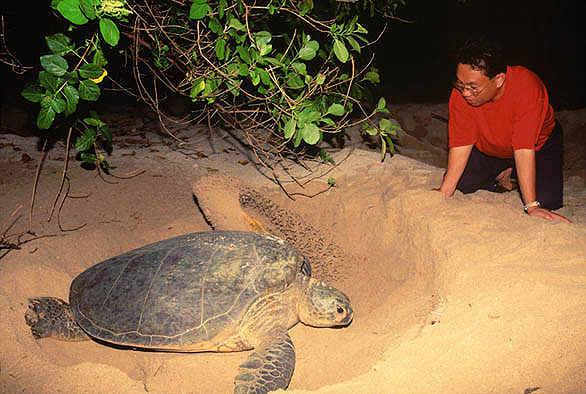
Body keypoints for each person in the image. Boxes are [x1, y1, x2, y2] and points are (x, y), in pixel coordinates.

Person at [436, 38, 570, 223]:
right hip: (490, 146)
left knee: (546, 202)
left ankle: (511, 171)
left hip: (538, 147)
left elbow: (523, 149)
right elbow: (461, 143)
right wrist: (444, 193)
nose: (465, 92)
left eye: (473, 87)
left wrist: (531, 206)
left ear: (499, 79)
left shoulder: (527, 88)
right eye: (460, 84)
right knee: (460, 186)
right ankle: (503, 170)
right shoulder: (461, 94)